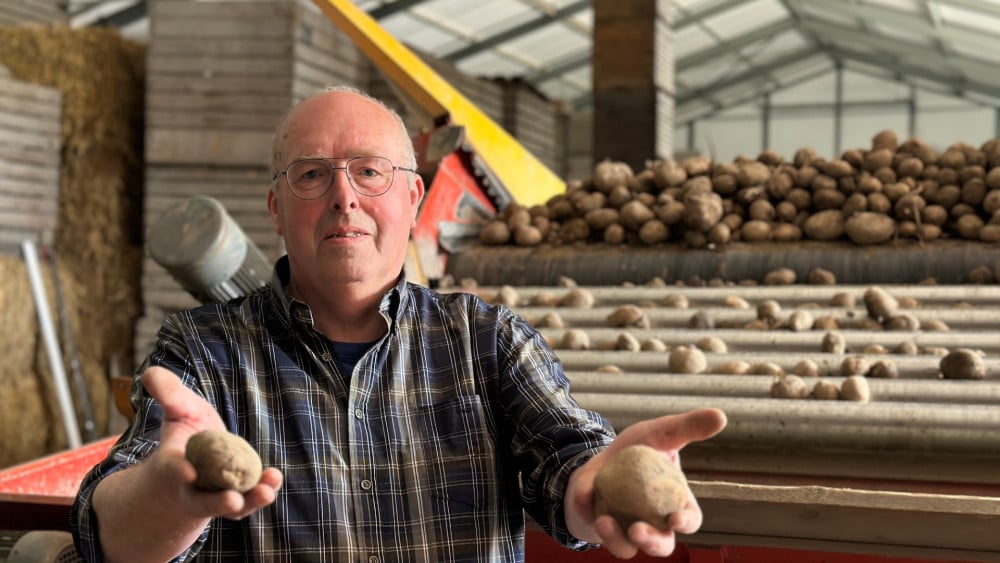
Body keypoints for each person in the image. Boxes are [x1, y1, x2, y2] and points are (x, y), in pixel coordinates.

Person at [71, 85, 727, 562]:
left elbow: (570, 465)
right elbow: (111, 536)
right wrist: (169, 497)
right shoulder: (203, 351)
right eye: (312, 175)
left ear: (413, 198)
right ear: (275, 207)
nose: (344, 195)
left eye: (369, 171)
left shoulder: (487, 340)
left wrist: (599, 484)